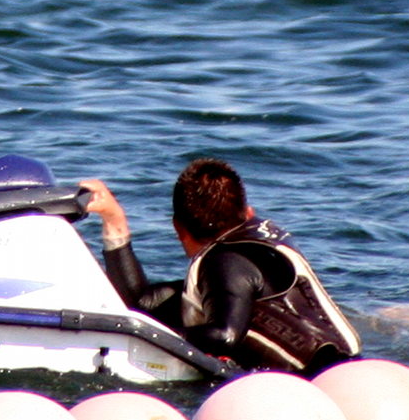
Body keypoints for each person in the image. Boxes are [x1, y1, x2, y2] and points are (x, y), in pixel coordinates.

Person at [77, 159, 361, 375]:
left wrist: (154, 336)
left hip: (314, 385)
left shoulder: (224, 263)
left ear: (178, 229)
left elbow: (225, 336)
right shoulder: (264, 239)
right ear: (247, 213)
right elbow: (141, 303)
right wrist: (113, 219)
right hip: (351, 370)